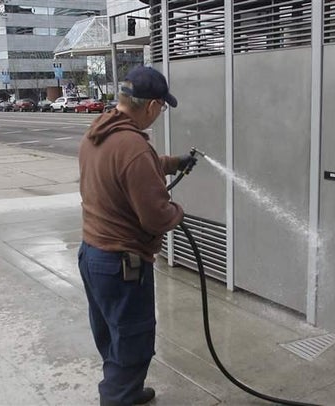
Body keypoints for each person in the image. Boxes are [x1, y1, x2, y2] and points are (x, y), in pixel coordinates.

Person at [77, 66, 196, 406]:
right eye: (162, 109)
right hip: (122, 263)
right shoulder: (133, 146)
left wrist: (172, 163)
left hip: (93, 255)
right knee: (132, 341)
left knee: (114, 335)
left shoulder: (99, 132)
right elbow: (156, 218)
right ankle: (118, 396)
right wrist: (178, 212)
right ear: (153, 105)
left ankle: (125, 389)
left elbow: (126, 167)